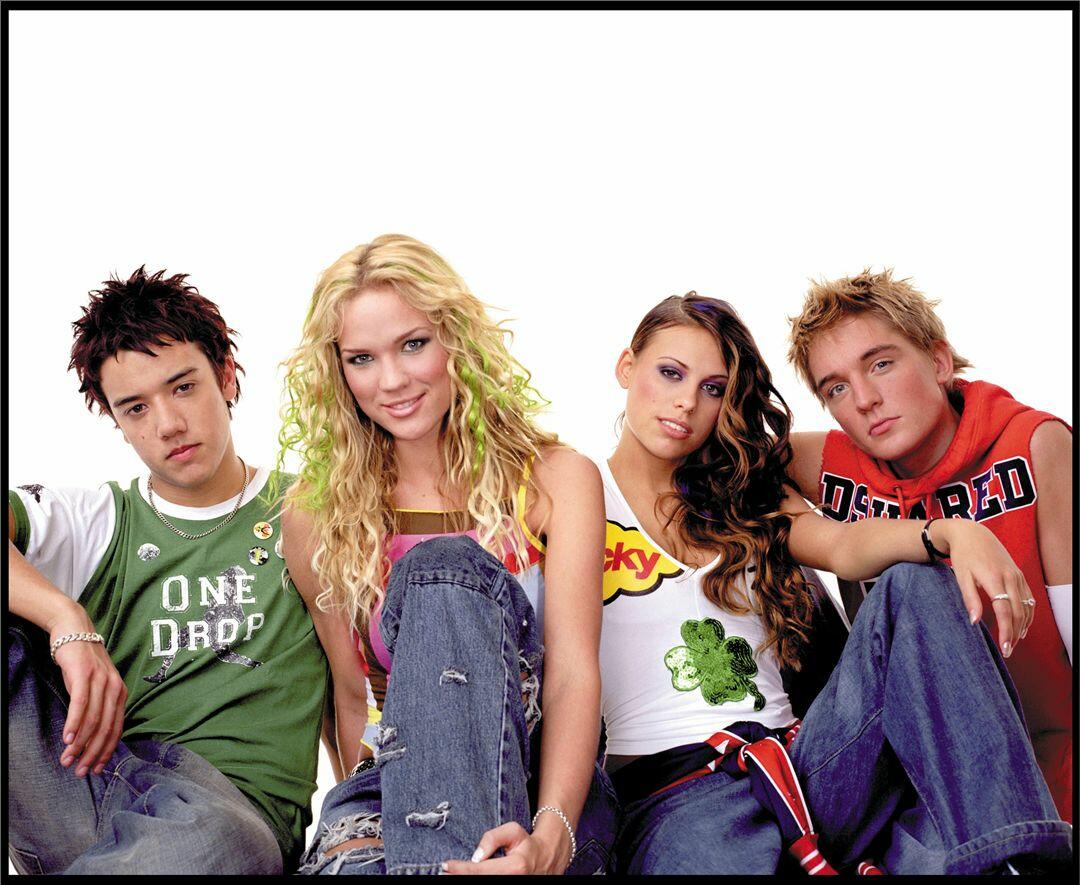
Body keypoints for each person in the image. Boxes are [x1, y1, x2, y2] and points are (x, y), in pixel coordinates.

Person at [598, 292, 1071, 874]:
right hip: (677, 792)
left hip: (806, 763)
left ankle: (1020, 862)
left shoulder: (739, 494)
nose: (687, 402)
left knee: (914, 584)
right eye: (670, 373)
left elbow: (844, 547)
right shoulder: (577, 493)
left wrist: (950, 532)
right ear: (627, 367)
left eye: (714, 388)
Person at [277, 234, 613, 875]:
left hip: (539, 779)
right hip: (392, 784)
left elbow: (573, 673)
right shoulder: (316, 514)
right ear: (338, 373)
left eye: (413, 344)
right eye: (361, 359)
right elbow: (353, 699)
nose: (392, 380)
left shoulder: (556, 481)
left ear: (456, 340)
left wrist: (551, 836)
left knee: (445, 572)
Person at [7, 268, 328, 875]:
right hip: (87, 786)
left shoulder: (307, 511)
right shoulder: (99, 519)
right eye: (136, 408)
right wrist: (64, 617)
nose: (167, 425)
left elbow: (362, 682)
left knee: (221, 840)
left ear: (226, 376)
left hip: (230, 819)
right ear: (117, 421)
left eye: (182, 388)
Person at [786, 269, 1072, 822]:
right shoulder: (838, 467)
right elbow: (723, 459)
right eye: (836, 388)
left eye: (881, 364)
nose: (864, 400)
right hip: (918, 779)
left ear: (939, 361)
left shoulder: (1034, 444)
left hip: (1045, 761)